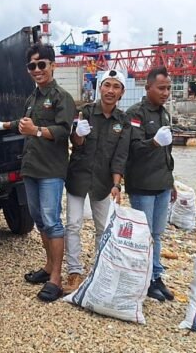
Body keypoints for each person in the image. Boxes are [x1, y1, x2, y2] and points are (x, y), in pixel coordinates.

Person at [0, 43, 75, 302]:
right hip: (32, 168)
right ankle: (48, 266)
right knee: (39, 220)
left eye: (41, 64)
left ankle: (56, 279)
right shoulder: (32, 97)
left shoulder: (62, 97)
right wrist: (4, 125)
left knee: (52, 221)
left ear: (52, 65)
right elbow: (24, 123)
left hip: (51, 170)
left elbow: (63, 131)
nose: (37, 70)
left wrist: (36, 131)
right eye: (32, 66)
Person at [63, 69, 131, 293]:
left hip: (103, 182)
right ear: (99, 87)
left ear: (122, 92)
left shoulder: (123, 121)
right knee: (73, 224)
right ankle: (74, 271)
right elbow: (75, 143)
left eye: (116, 87)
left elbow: (120, 156)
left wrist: (116, 184)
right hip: (78, 176)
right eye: (107, 85)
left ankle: (100, 268)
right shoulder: (85, 113)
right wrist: (79, 133)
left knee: (103, 227)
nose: (110, 90)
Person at [125, 67, 177, 303]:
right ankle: (143, 278)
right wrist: (154, 143)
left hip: (162, 184)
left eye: (168, 88)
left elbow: (168, 153)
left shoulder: (165, 113)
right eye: (161, 88)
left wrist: (171, 182)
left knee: (157, 233)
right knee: (144, 235)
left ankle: (156, 276)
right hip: (143, 184)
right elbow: (133, 148)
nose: (166, 92)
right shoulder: (136, 114)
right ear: (148, 88)